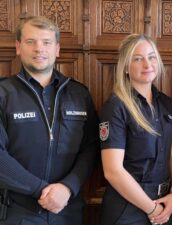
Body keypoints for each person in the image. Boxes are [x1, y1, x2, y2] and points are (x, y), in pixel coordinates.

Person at [0, 16, 99, 225]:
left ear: (57, 49)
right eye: (30, 42)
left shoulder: (78, 94)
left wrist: (68, 187)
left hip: (68, 210)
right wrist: (41, 191)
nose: (39, 48)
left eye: (46, 42)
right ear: (18, 47)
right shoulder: (3, 93)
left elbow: (91, 148)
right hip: (18, 212)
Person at [99, 33, 172, 225]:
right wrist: (151, 209)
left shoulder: (166, 103)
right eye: (138, 59)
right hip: (128, 208)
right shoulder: (116, 106)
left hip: (165, 204)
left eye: (151, 57)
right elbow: (113, 171)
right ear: (126, 68)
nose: (147, 64)